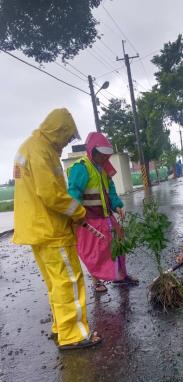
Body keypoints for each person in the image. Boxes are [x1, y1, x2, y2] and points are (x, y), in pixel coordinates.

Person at [12, 108, 101, 350]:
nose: (67, 142)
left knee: (55, 283)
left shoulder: (29, 147)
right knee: (69, 281)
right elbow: (52, 194)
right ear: (59, 130)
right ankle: (73, 334)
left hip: (36, 229)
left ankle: (61, 327)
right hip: (51, 231)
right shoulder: (41, 151)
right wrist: (79, 213)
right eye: (67, 136)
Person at [67, 131, 138, 293]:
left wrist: (117, 205)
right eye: (100, 155)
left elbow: (110, 190)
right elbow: (74, 193)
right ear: (92, 151)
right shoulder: (82, 168)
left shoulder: (104, 168)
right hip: (90, 219)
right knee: (95, 251)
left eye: (106, 155)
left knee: (119, 243)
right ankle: (96, 281)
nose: (103, 158)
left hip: (107, 217)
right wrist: (75, 216)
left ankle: (121, 275)